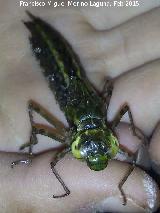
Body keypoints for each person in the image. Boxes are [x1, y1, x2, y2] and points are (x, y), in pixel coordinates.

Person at [0, 1, 160, 212]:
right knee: (37, 109)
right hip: (63, 75)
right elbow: (53, 164)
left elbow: (54, 164)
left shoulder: (81, 138)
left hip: (71, 78)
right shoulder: (92, 135)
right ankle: (36, 27)